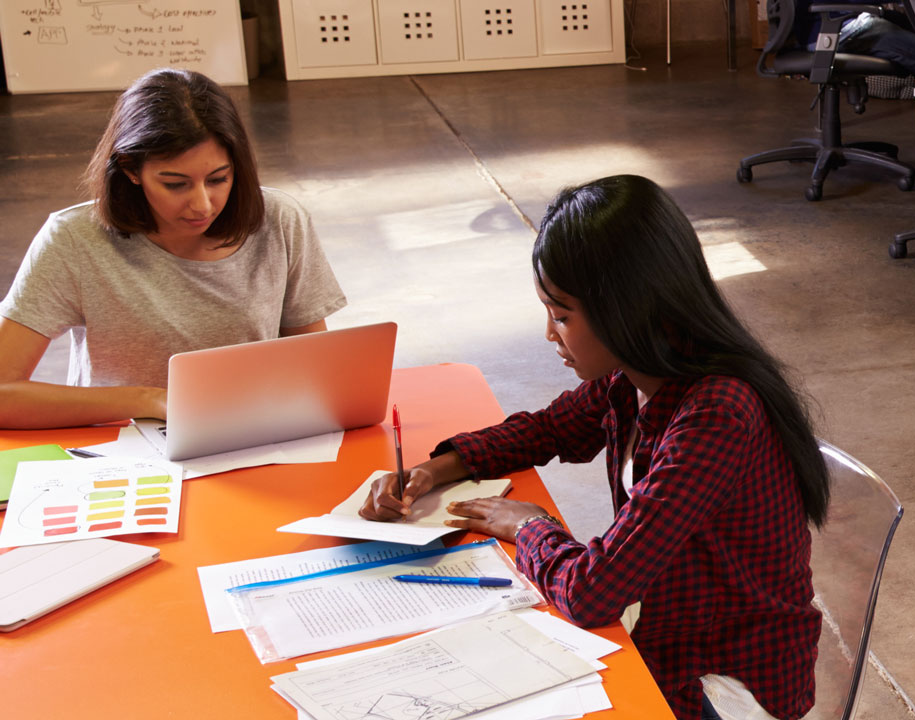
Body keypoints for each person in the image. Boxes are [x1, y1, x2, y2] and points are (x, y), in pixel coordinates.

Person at [359, 175, 832, 720]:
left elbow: (591, 594)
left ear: (628, 307)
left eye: (561, 315)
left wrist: (528, 526)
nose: (549, 334)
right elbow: (547, 429)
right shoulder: (637, 376)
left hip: (726, 685)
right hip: (667, 636)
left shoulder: (716, 415)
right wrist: (434, 469)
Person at [0, 68, 346, 430]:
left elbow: (312, 369)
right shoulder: (73, 240)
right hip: (123, 451)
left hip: (249, 436)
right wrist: (149, 399)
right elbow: (4, 393)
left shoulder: (280, 221)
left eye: (218, 179)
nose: (202, 205)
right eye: (176, 184)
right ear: (131, 169)